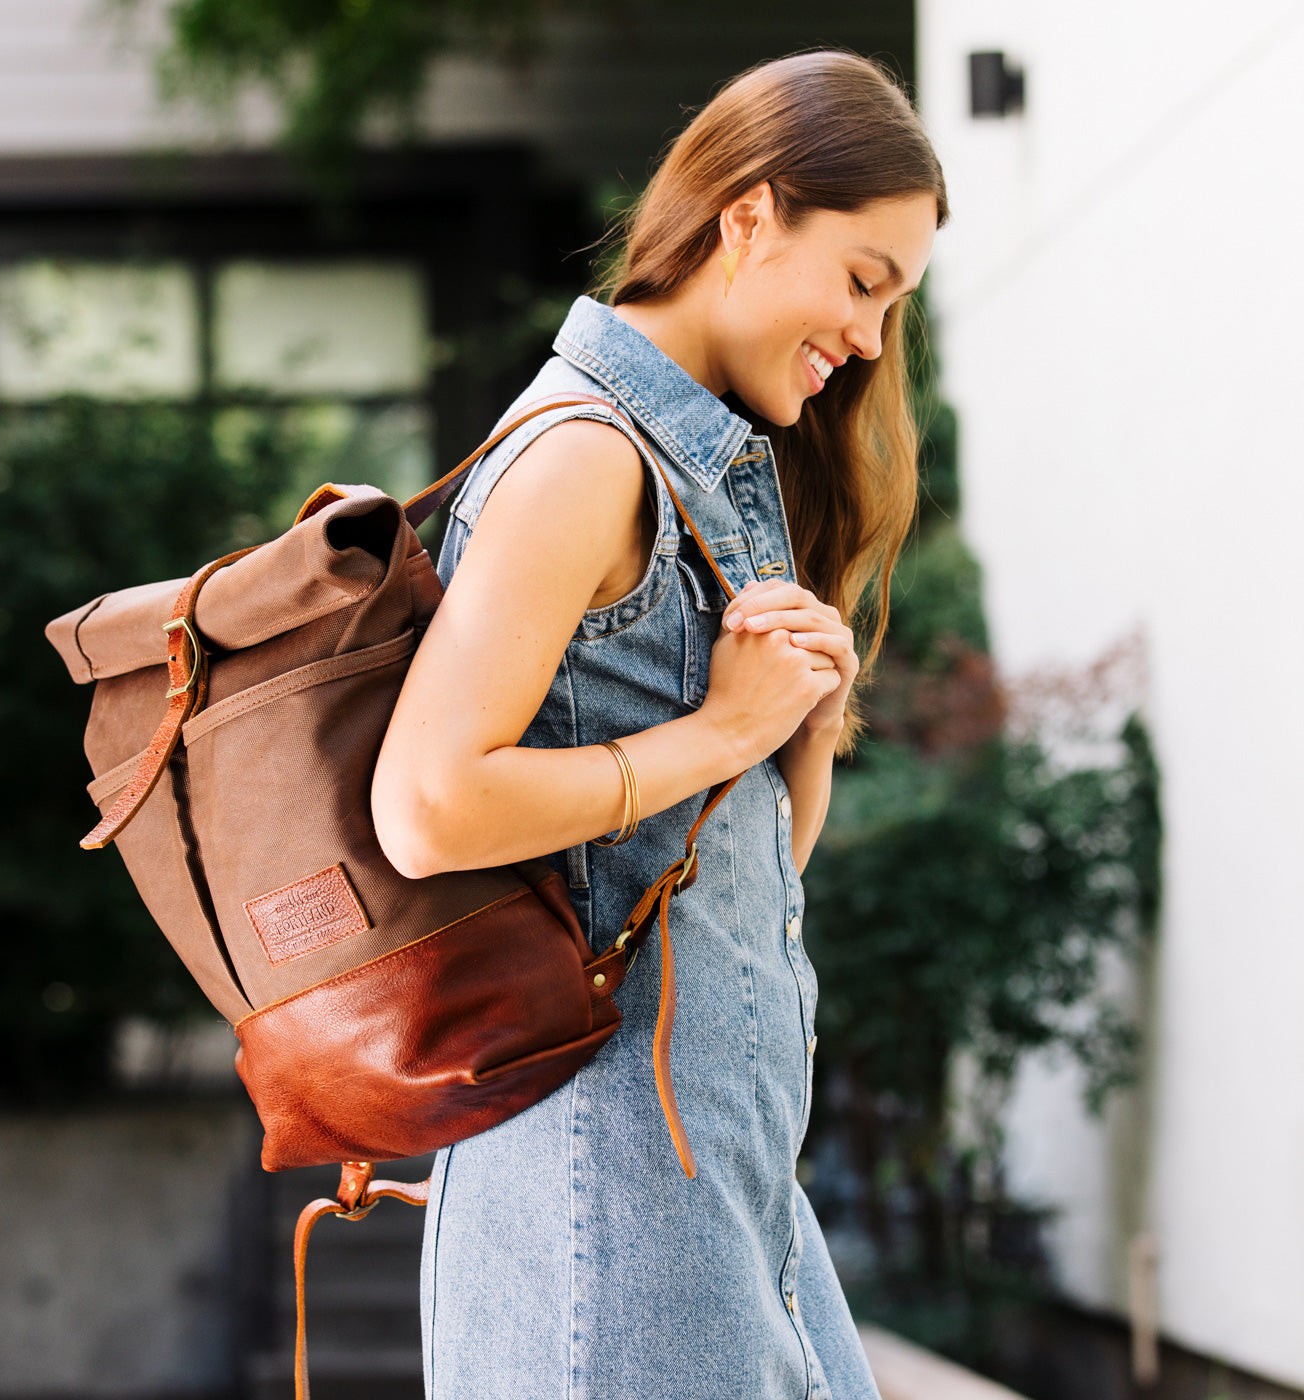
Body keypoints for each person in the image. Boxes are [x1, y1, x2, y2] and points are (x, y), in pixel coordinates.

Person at [371, 47, 949, 1400]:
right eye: (864, 282)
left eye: (896, 304)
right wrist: (716, 731)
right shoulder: (585, 456)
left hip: (721, 1168)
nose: (871, 338)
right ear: (748, 219)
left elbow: (745, 884)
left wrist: (791, 727)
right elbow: (427, 804)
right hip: (609, 1185)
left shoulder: (719, 473)